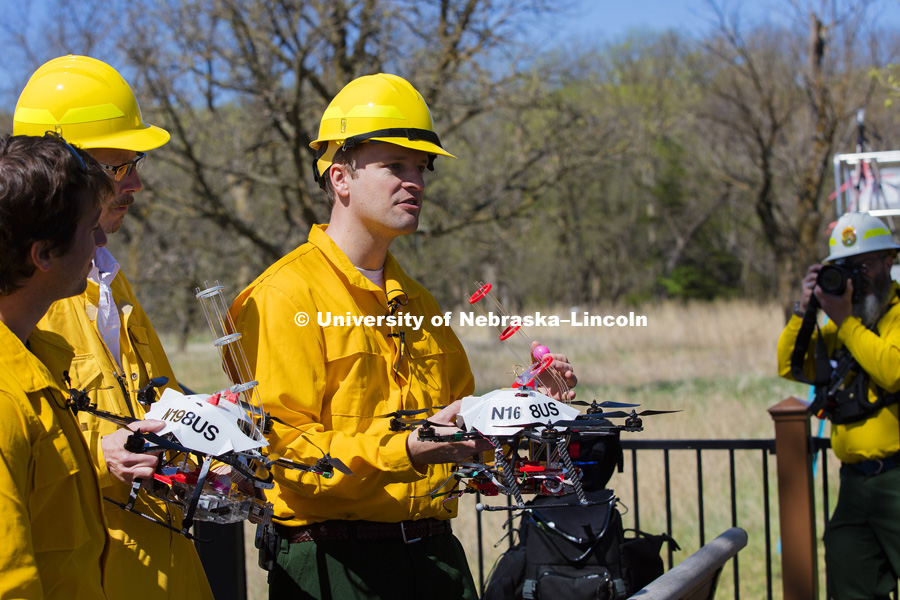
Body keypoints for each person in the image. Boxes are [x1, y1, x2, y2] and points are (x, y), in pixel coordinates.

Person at [229, 73, 577, 599]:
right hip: (334, 565)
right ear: (340, 177)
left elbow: (464, 424)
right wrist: (410, 450)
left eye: (422, 167)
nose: (414, 180)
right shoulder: (283, 296)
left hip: (436, 558)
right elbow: (285, 453)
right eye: (395, 165)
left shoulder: (419, 300)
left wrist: (529, 408)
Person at [12, 55, 213, 599]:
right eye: (120, 166)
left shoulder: (109, 279)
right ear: (61, 166)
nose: (137, 183)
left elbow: (159, 406)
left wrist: (210, 433)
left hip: (165, 573)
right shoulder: (27, 295)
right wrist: (99, 454)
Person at [0, 134, 110, 598]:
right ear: (43, 254)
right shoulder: (5, 400)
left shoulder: (37, 362)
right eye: (91, 227)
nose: (102, 239)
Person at [777, 211, 900, 600]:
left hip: (897, 478)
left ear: (889, 261)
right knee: (850, 581)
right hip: (853, 483)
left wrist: (846, 322)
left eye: (864, 265)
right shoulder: (838, 323)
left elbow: (894, 371)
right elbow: (791, 366)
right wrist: (805, 309)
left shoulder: (892, 315)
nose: (857, 277)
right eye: (845, 268)